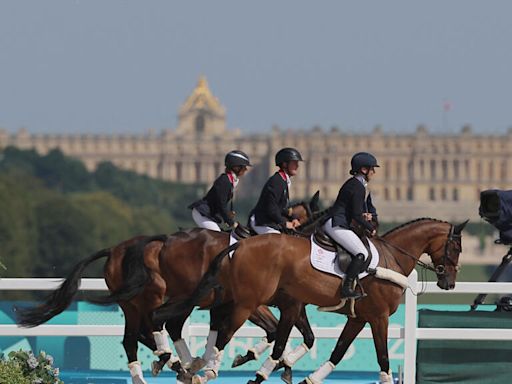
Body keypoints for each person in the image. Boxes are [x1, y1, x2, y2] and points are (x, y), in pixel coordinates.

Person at [323, 152, 379, 300]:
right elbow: (355, 215)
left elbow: (355, 211)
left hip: (339, 221)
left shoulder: (355, 183)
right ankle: (347, 288)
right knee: (361, 253)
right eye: (372, 168)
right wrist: (369, 227)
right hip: (337, 224)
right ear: (364, 170)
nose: (374, 172)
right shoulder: (358, 186)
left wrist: (363, 216)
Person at [188, 150, 251, 231]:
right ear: (236, 167)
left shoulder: (230, 180)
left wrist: (228, 215)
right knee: (217, 237)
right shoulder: (224, 181)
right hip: (202, 214)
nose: (246, 169)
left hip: (209, 214)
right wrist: (231, 222)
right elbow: (221, 204)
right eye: (244, 167)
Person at [249, 147, 303, 234]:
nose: (297, 166)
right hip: (261, 222)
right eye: (294, 163)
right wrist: (284, 222)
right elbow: (271, 208)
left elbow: (282, 208)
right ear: (285, 164)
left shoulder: (283, 180)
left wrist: (294, 218)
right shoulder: (276, 181)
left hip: (269, 221)